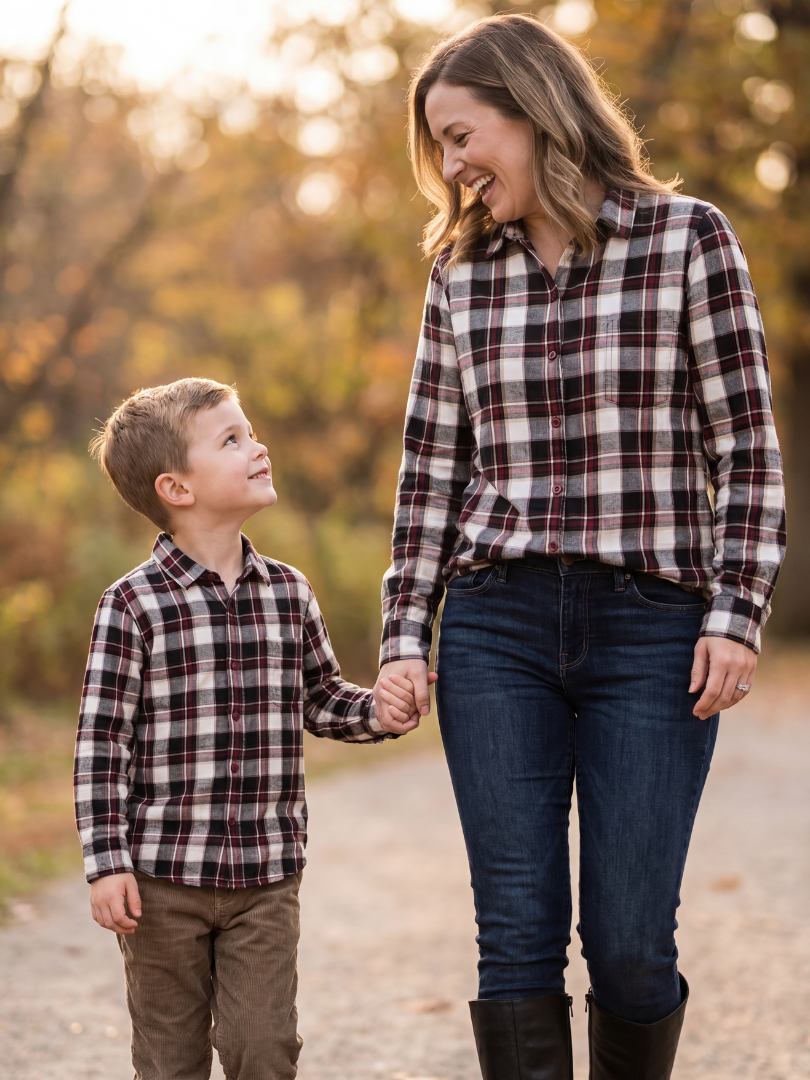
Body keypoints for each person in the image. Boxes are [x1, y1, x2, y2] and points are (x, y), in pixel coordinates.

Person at [372, 14, 786, 1080]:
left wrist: (736, 613)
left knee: (632, 943)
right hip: (496, 626)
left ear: (532, 109)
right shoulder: (460, 277)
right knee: (514, 936)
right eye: (441, 149)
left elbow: (746, 446)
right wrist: (404, 638)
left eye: (462, 137)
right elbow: (430, 473)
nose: (453, 169)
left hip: (651, 625)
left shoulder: (688, 238)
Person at [74, 378, 418, 1080]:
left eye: (250, 431)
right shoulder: (133, 606)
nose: (257, 447)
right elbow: (102, 745)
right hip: (162, 880)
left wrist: (376, 711)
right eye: (231, 440)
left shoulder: (288, 592)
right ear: (177, 488)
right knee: (170, 1058)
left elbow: (321, 699)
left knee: (263, 1048)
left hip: (266, 877)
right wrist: (106, 861)